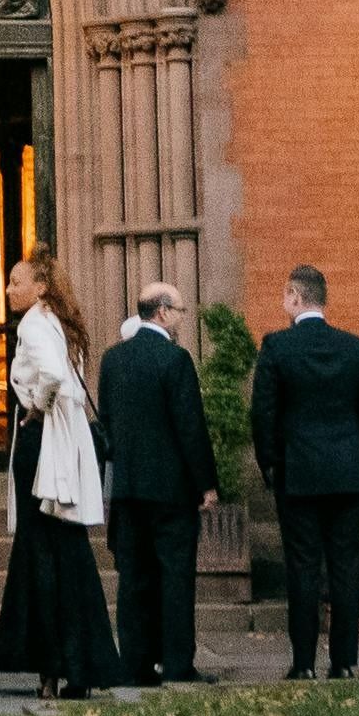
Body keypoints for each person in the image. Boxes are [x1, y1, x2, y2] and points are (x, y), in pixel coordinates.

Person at [0, 251, 118, 700]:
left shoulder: (32, 325)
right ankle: (79, 663)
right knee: (68, 548)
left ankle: (50, 665)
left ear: (40, 287)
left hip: (44, 443)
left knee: (40, 548)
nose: (8, 290)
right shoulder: (58, 323)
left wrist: (34, 409)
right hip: (66, 443)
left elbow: (53, 377)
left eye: (15, 282)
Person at [246, 264, 359, 679]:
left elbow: (263, 412)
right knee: (345, 564)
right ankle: (344, 662)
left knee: (301, 566)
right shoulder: (354, 347)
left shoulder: (278, 347)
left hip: (298, 473)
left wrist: (269, 464)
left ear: (295, 297)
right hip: (347, 471)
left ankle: (303, 663)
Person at [99, 281, 218, 687]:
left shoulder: (112, 360)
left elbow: (108, 424)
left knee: (133, 578)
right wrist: (206, 483)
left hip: (129, 488)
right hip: (170, 490)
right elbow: (190, 427)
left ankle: (134, 662)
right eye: (181, 311)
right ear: (163, 312)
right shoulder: (175, 360)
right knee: (175, 576)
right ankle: (177, 663)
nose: (183, 319)